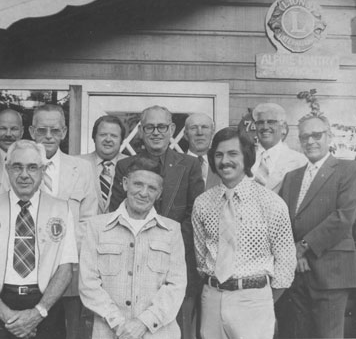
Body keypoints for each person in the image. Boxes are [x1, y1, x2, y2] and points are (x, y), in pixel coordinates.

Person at [0, 140, 77, 339]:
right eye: (17, 167)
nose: (24, 175)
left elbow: (65, 269)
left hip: (45, 307)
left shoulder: (61, 210)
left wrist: (37, 313)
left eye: (32, 167)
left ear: (43, 170)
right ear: (7, 169)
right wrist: (7, 315)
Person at [109, 105, 204, 339]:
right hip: (132, 264)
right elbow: (117, 212)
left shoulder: (190, 165)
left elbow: (195, 214)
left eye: (162, 126)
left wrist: (162, 243)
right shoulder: (125, 166)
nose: (156, 132)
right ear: (141, 130)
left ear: (171, 129)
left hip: (175, 264)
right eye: (149, 127)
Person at [192, 127, 296, 339]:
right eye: (219, 155)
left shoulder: (270, 202)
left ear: (247, 157)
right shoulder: (203, 203)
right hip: (212, 296)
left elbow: (285, 263)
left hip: (253, 300)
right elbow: (201, 258)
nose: (224, 161)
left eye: (233, 154)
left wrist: (261, 299)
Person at [79, 157, 187, 339]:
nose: (143, 193)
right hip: (109, 332)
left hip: (159, 333)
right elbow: (88, 283)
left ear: (159, 193)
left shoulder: (171, 230)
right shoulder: (97, 227)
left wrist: (143, 323)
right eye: (138, 184)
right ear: (125, 184)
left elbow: (176, 285)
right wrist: (119, 324)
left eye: (152, 188)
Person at [279, 113, 356, 338]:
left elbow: (344, 217)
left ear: (329, 136)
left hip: (330, 270)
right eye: (305, 137)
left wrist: (303, 246)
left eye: (316, 135)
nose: (310, 141)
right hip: (297, 271)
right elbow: (285, 221)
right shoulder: (292, 177)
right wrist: (296, 253)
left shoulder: (348, 170)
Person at [29, 104, 97, 339]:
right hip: (25, 272)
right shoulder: (18, 166)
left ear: (65, 132)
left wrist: (62, 255)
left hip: (67, 273)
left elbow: (89, 221)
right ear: (31, 131)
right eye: (42, 130)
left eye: (55, 131)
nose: (49, 136)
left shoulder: (82, 168)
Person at [252, 103, 306, 193]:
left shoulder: (300, 161)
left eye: (271, 122)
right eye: (260, 122)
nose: (265, 127)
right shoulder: (245, 158)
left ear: (283, 127)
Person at [80, 115, 128, 214]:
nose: (108, 139)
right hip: (85, 227)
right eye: (103, 134)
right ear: (94, 137)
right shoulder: (77, 164)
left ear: (121, 140)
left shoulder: (131, 165)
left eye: (114, 136)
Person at [184, 112, 221, 190]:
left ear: (212, 133)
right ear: (185, 135)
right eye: (193, 128)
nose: (200, 133)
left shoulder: (221, 164)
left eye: (204, 127)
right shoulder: (176, 164)